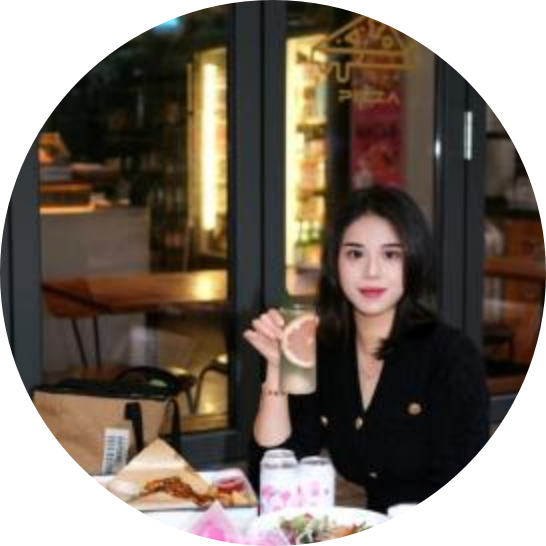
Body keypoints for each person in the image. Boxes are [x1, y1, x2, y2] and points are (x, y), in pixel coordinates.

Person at [243, 184, 489, 513]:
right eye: (355, 254)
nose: (371, 271)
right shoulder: (325, 350)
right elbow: (272, 485)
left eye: (391, 254)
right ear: (335, 263)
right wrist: (277, 372)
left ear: (414, 261)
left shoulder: (451, 356)